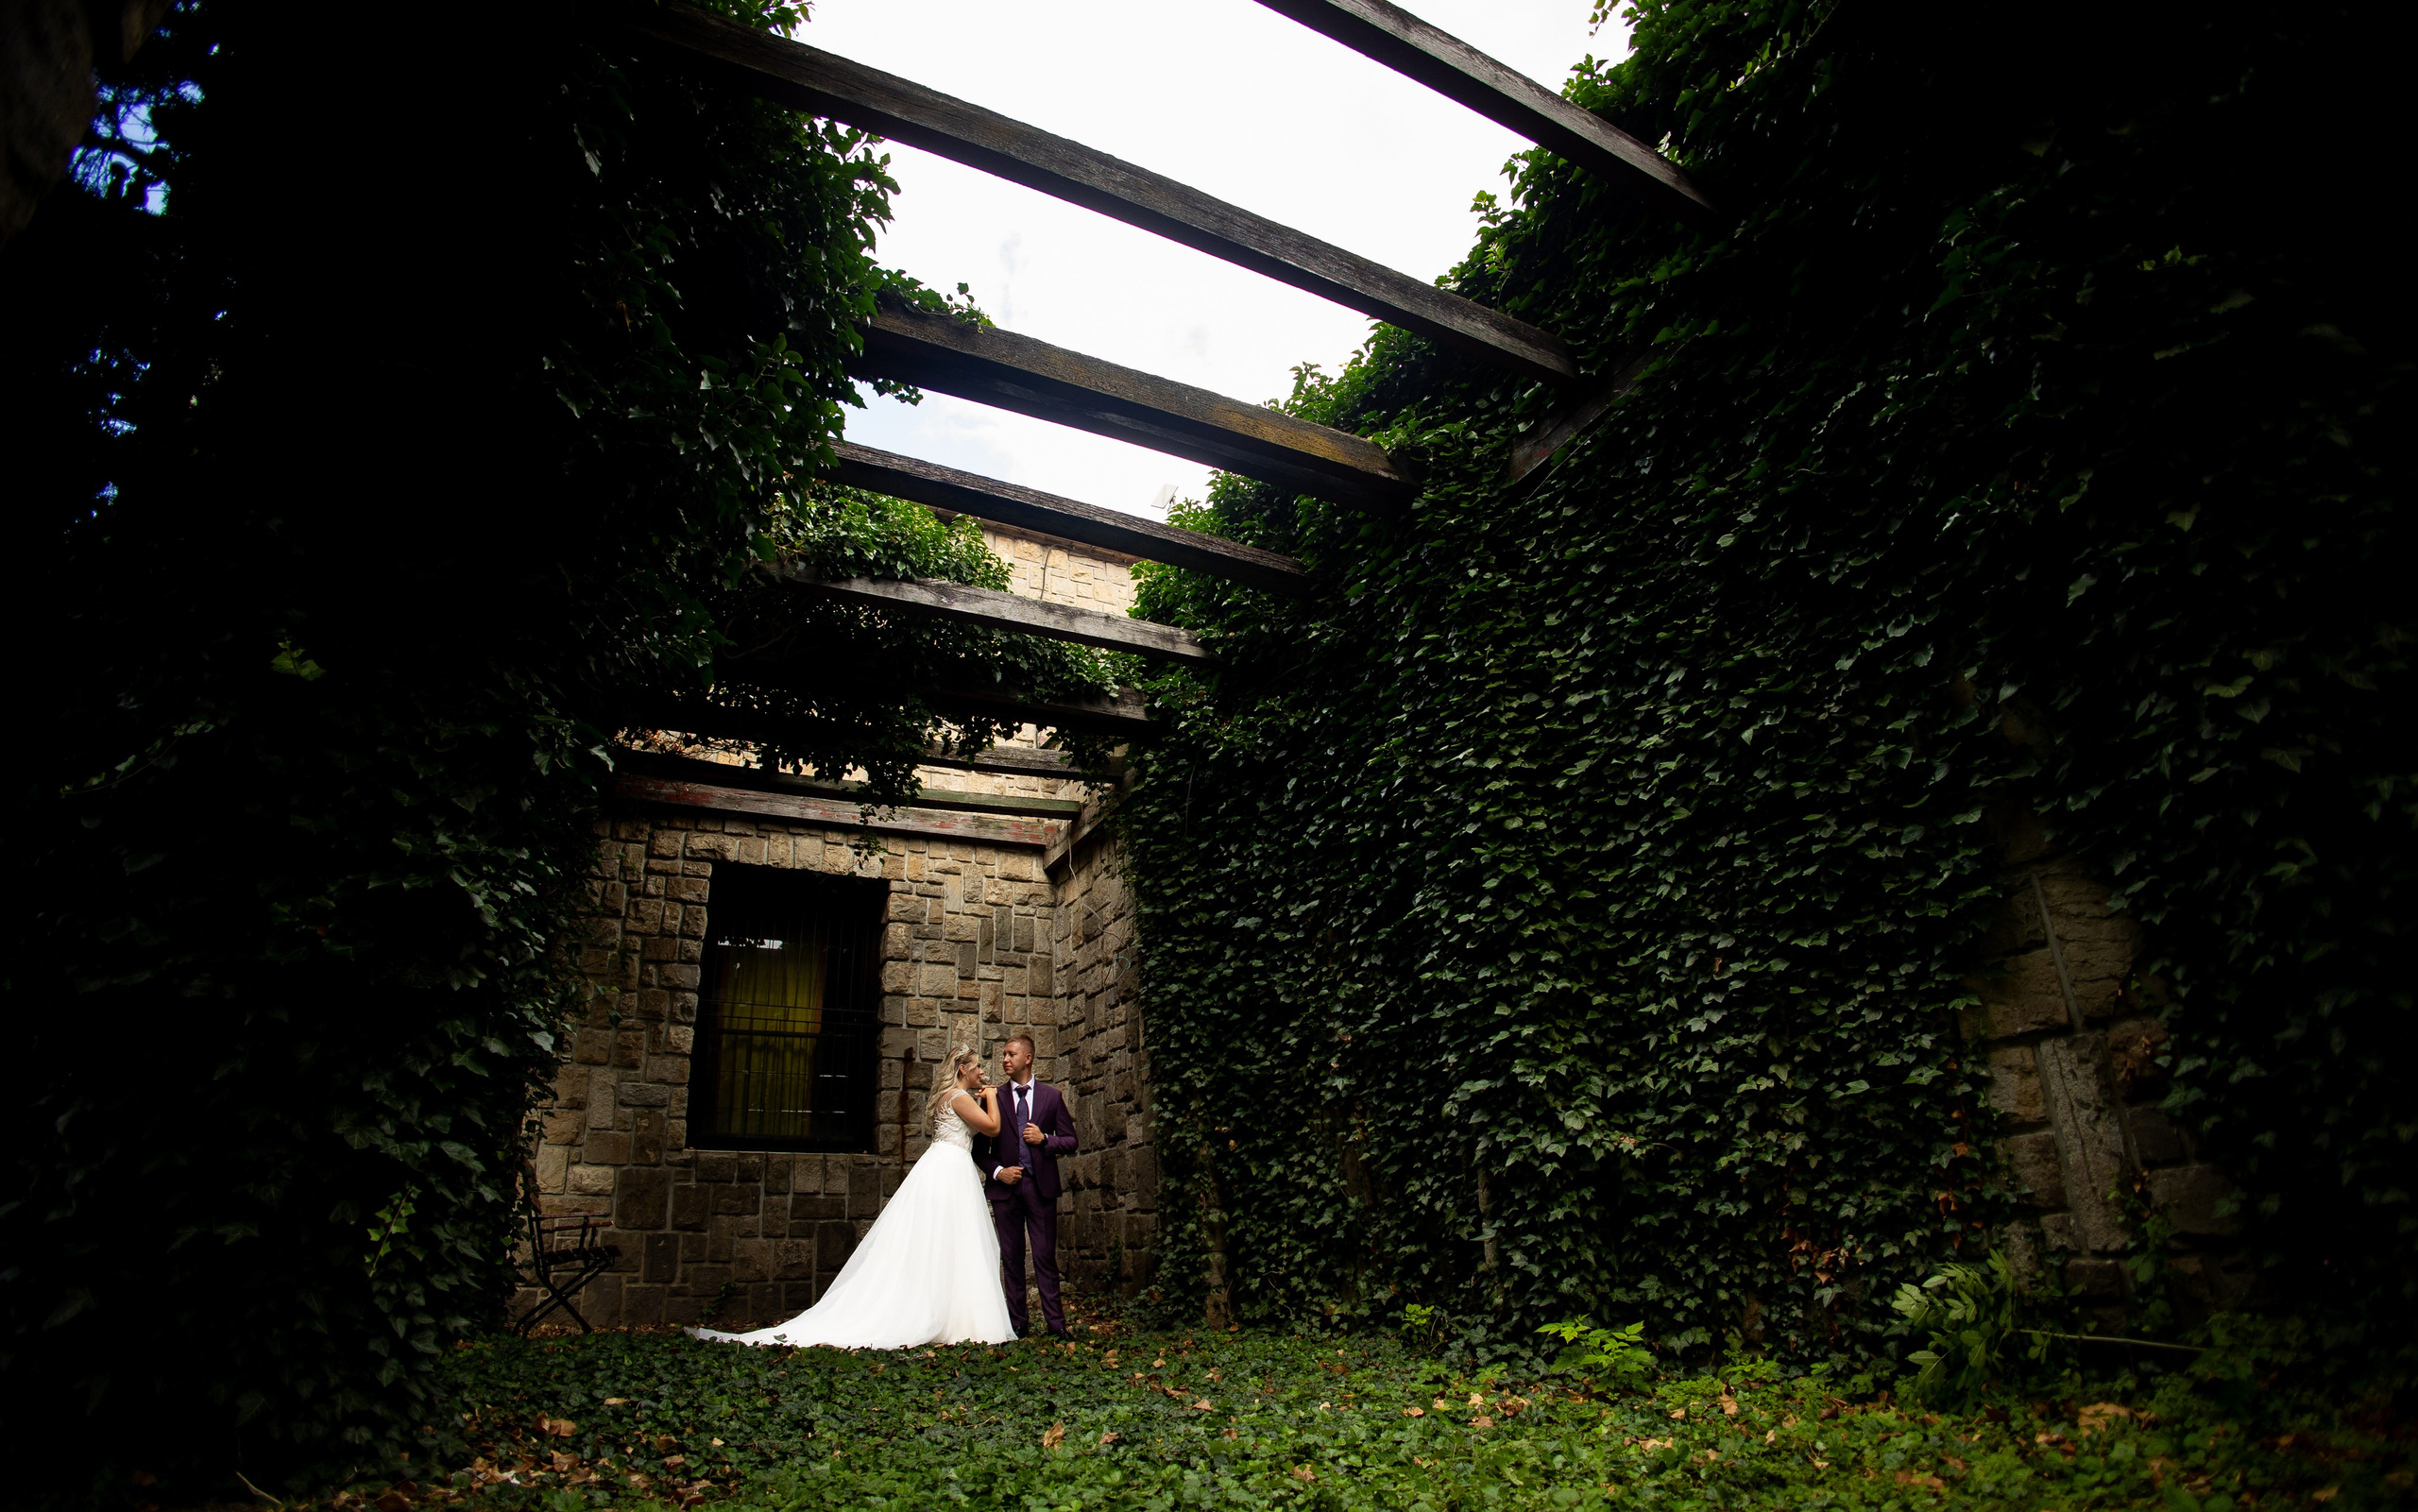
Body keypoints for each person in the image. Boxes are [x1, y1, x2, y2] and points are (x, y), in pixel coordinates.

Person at [691, 1046, 1014, 1349]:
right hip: (950, 1168)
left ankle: (950, 1312)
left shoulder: (953, 1095)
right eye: (977, 1067)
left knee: (947, 1240)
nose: (982, 1072)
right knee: (949, 1237)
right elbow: (992, 1128)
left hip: (947, 1165)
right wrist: (993, 1097)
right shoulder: (958, 1096)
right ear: (961, 1070)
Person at [975, 1033, 1078, 1339]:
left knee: (1045, 1256)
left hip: (1040, 1187)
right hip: (1006, 1190)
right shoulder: (993, 1097)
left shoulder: (1051, 1097)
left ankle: (1056, 1325)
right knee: (1011, 1256)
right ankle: (1017, 1325)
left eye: (1011, 1054)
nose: (1005, 1059)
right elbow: (979, 1150)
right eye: (1004, 1055)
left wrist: (1045, 1139)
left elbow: (1071, 1140)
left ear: (1028, 1058)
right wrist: (998, 1172)